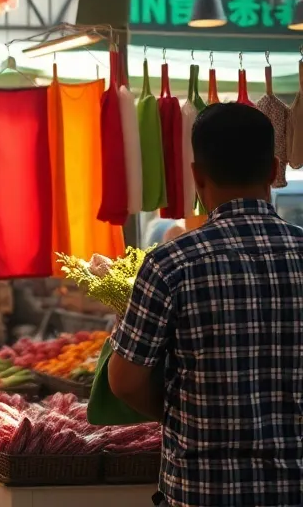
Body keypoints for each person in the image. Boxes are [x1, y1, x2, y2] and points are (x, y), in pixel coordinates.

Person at [109, 103, 303, 507]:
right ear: (273, 169)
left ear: (197, 175)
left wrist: (182, 416)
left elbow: (125, 380)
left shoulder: (170, 263)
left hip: (204, 488)